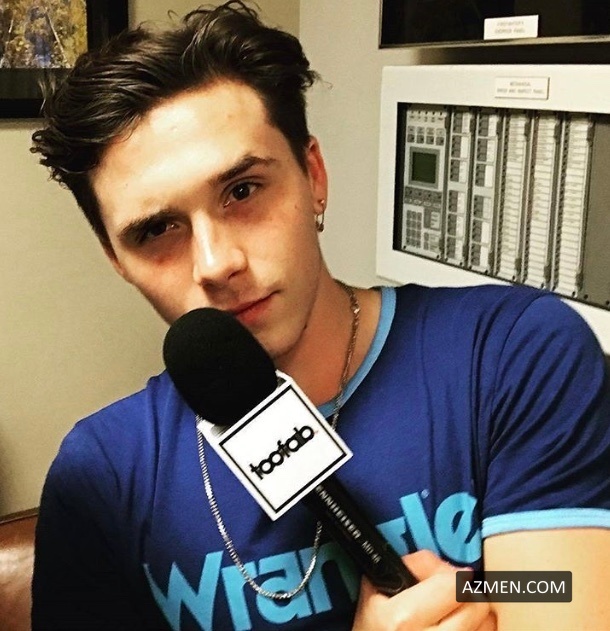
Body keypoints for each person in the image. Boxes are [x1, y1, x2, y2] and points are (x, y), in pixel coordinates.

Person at [30, 2, 610, 630]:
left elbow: (556, 587)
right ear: (117, 259)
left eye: (243, 191)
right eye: (156, 230)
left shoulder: (511, 352)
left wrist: (477, 588)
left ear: (313, 177)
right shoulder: (102, 473)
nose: (217, 263)